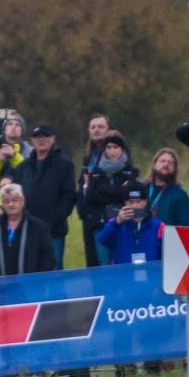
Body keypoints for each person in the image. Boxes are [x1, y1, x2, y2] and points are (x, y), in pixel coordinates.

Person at [15, 125, 78, 267]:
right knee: (30, 270)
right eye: (37, 137)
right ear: (32, 141)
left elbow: (69, 196)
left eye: (45, 136)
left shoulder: (64, 165)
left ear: (52, 139)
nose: (41, 140)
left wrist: (55, 219)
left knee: (53, 271)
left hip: (54, 231)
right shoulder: (23, 167)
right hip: (28, 230)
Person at [0, 184, 57, 276]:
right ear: (2, 205)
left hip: (32, 283)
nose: (11, 204)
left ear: (22, 201)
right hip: (1, 284)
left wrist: (37, 279)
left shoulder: (38, 227)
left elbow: (48, 258)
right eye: (6, 201)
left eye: (15, 200)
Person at [76, 113, 119, 267]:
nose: (96, 130)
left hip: (106, 219)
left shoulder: (116, 156)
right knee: (92, 267)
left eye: (101, 126)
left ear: (109, 130)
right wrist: (81, 209)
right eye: (93, 127)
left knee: (107, 267)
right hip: (89, 219)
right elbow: (82, 184)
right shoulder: (89, 156)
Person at [82, 132, 140, 245]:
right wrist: (119, 191)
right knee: (104, 256)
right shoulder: (96, 172)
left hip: (126, 224)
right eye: (108, 147)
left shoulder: (131, 171)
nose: (112, 151)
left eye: (115, 147)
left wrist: (102, 189)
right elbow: (90, 198)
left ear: (122, 149)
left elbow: (130, 195)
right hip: (101, 224)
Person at [98, 184, 165, 265]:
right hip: (123, 271)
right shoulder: (116, 223)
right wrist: (117, 221)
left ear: (145, 202)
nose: (134, 206)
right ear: (125, 203)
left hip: (151, 270)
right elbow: (103, 240)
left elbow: (166, 252)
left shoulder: (158, 225)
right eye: (131, 202)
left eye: (138, 202)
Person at [145, 148, 189, 227]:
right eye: (162, 161)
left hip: (166, 234)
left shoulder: (180, 194)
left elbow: (184, 226)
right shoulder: (142, 188)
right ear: (154, 165)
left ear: (174, 169)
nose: (166, 164)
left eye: (170, 163)